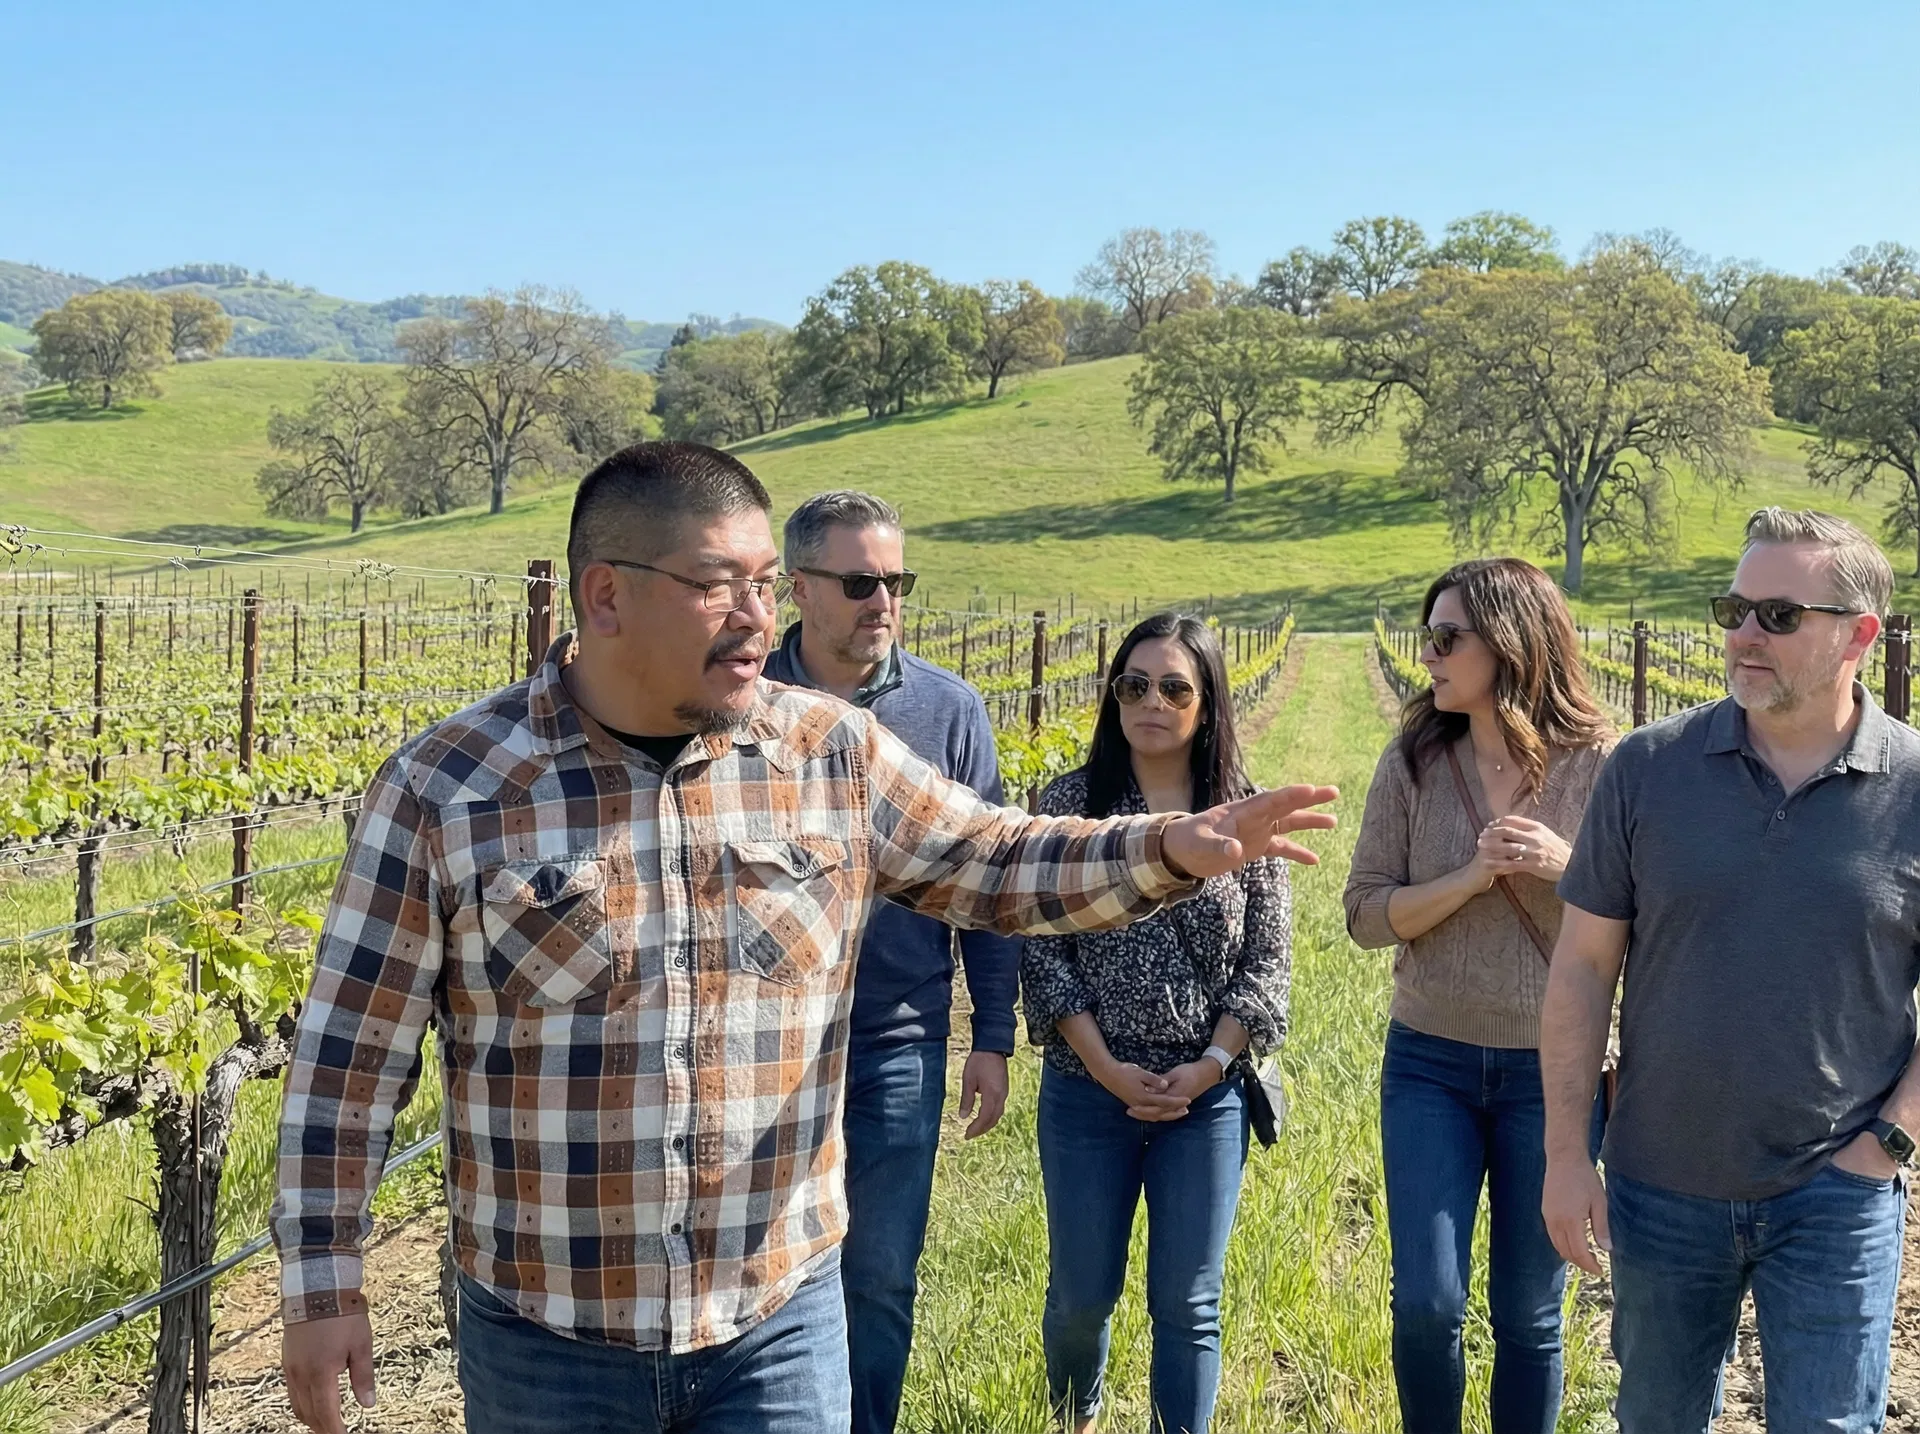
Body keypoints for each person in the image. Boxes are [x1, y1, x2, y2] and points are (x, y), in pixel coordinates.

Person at [271, 441, 1340, 1434]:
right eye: (718, 584)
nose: (754, 614)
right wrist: (325, 1280)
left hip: (775, 1322)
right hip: (548, 1338)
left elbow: (998, 860)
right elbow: (346, 1062)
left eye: (766, 585)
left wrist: (1169, 848)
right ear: (606, 595)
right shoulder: (447, 788)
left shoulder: (829, 753)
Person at [1542, 507, 1920, 1433]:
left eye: (1778, 616)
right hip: (1659, 1185)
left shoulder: (1917, 787)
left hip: (1837, 1194)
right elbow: (1584, 970)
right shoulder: (1647, 768)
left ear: (1859, 636)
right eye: (1733, 609)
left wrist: (1891, 1145)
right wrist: (1563, 1155)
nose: (1745, 634)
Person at [760, 490, 1019, 1434]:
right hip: (764, 1043)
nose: (885, 600)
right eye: (862, 581)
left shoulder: (949, 711)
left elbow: (992, 882)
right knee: (764, 1276)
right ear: (800, 588)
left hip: (897, 1039)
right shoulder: (747, 700)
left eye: (897, 581)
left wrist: (993, 1033)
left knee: (877, 1276)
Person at [1344, 558, 1613, 1434]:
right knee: (1426, 1302)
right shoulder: (1415, 763)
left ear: (1511, 642)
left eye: (1447, 638)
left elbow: (1651, 916)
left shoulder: (1602, 767)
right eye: (1429, 636)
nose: (1429, 655)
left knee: (1531, 1315)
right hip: (1429, 1062)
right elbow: (1365, 915)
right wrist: (1468, 876)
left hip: (1556, 1073)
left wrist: (1563, 867)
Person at [1020, 612, 1291, 1434]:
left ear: (1207, 703)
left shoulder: (1244, 813)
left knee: (1189, 1301)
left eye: (1175, 687)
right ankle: (1077, 1415)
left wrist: (1212, 1064)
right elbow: (1042, 948)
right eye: (1134, 684)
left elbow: (1270, 962)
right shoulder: (1067, 805)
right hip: (1086, 1089)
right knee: (1080, 1295)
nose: (1152, 701)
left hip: (1205, 1093)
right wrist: (1102, 1064)